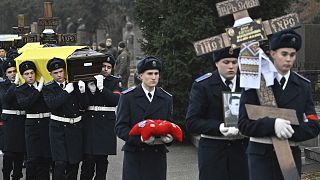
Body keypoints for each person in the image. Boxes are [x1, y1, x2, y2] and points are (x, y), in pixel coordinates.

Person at [238, 29, 320, 180]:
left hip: (290, 157)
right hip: (261, 157)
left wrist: (290, 131)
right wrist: (272, 125)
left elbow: (314, 123)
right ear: (272, 53)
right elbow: (243, 124)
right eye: (284, 54)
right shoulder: (255, 82)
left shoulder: (303, 86)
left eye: (292, 55)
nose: (288, 59)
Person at [185, 47, 248, 180]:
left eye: (234, 62)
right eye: (226, 62)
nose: (231, 66)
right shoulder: (203, 85)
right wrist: (219, 127)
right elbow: (192, 122)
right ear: (216, 63)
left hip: (241, 151)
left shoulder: (248, 84)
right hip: (213, 152)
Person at [115, 56, 173, 180]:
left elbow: (169, 125)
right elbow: (120, 128)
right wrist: (140, 138)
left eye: (156, 73)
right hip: (136, 154)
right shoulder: (128, 97)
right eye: (150, 73)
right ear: (140, 76)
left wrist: (169, 138)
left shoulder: (166, 98)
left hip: (157, 156)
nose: (154, 77)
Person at [42, 57, 89, 180]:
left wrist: (83, 91)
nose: (59, 75)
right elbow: (52, 104)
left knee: (73, 162)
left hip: (74, 128)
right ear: (51, 74)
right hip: (58, 129)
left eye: (61, 71)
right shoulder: (48, 88)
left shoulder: (73, 84)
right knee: (60, 163)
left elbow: (84, 106)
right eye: (55, 73)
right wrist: (66, 92)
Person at [80, 54, 121, 180]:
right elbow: (83, 104)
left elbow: (116, 100)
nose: (105, 69)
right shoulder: (89, 79)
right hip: (90, 122)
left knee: (102, 160)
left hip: (105, 124)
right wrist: (88, 91)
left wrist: (102, 88)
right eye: (103, 66)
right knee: (88, 159)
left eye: (109, 67)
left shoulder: (114, 81)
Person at [15, 61, 51, 180]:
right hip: (32, 126)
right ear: (22, 76)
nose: (30, 76)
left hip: (46, 123)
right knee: (32, 159)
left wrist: (42, 88)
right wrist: (37, 90)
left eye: (32, 73)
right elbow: (25, 104)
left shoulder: (46, 86)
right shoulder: (20, 89)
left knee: (46, 158)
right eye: (26, 74)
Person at [0, 59, 25, 180]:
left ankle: (16, 176)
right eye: (10, 72)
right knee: (9, 154)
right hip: (9, 122)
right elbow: (6, 99)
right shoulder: (3, 85)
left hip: (21, 120)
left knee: (20, 153)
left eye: (15, 71)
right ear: (5, 73)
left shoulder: (23, 83)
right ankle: (5, 176)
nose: (13, 73)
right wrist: (14, 85)